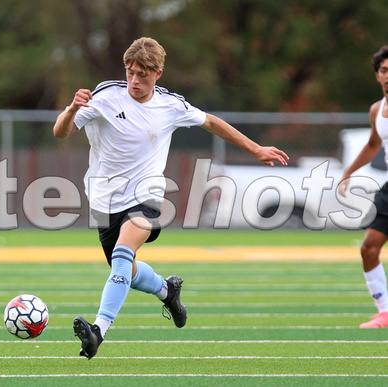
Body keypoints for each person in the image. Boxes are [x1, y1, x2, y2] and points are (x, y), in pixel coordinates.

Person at [52, 37, 289, 359]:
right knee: (127, 271)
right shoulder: (105, 95)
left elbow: (212, 123)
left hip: (146, 196)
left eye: (143, 75)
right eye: (131, 72)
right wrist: (72, 109)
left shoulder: (170, 105)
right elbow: (61, 132)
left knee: (122, 254)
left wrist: (256, 149)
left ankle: (98, 331)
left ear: (158, 73)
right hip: (104, 200)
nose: (135, 80)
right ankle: (168, 291)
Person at [339, 45, 388, 328]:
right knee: (369, 248)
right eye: (384, 71)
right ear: (377, 76)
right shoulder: (376, 110)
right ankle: (385, 312)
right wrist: (348, 172)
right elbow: (373, 144)